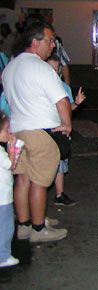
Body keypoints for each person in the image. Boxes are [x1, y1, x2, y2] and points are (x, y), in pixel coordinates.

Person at [2, 21, 70, 242]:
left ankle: (24, 224)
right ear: (34, 42)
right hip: (40, 131)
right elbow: (61, 99)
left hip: (17, 131)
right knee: (40, 182)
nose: (52, 45)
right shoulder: (40, 67)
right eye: (49, 41)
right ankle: (39, 229)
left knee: (23, 180)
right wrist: (67, 124)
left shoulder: (11, 67)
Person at [46, 54, 85, 207]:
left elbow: (68, 110)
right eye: (50, 69)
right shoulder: (39, 86)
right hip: (45, 129)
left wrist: (76, 103)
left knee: (61, 162)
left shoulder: (64, 88)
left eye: (56, 69)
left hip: (60, 130)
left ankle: (59, 194)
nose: (54, 73)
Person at [0, 112, 19, 267]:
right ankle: (3, 256)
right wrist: (12, 149)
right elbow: (11, 165)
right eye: (7, 131)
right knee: (6, 226)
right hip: (3, 198)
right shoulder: (0, 153)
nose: (9, 133)